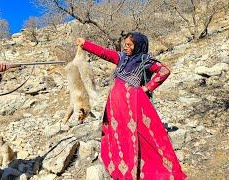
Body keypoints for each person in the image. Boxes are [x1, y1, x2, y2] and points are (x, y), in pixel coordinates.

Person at [76, 32, 187, 179]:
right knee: (120, 132)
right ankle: (122, 162)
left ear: (138, 46)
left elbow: (164, 70)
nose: (126, 47)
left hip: (133, 104)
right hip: (115, 105)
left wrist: (147, 88)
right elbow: (103, 52)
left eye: (129, 45)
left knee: (143, 134)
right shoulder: (121, 58)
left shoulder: (144, 60)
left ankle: (148, 165)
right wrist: (85, 44)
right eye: (125, 44)